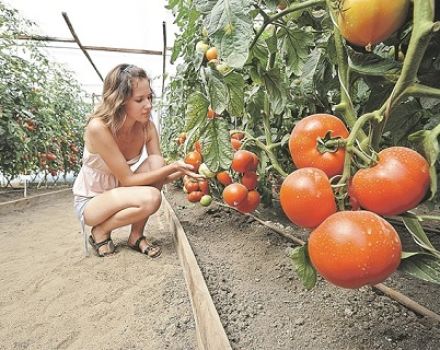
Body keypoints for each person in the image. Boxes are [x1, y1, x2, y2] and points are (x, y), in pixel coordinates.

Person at [72, 63, 202, 258]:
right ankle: (100, 230)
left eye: (149, 97)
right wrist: (173, 167)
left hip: (123, 191)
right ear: (120, 101)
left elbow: (156, 176)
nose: (148, 105)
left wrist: (182, 169)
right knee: (152, 198)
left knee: (157, 162)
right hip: (93, 201)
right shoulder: (99, 127)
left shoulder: (146, 127)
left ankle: (136, 235)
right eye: (139, 99)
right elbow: (128, 181)